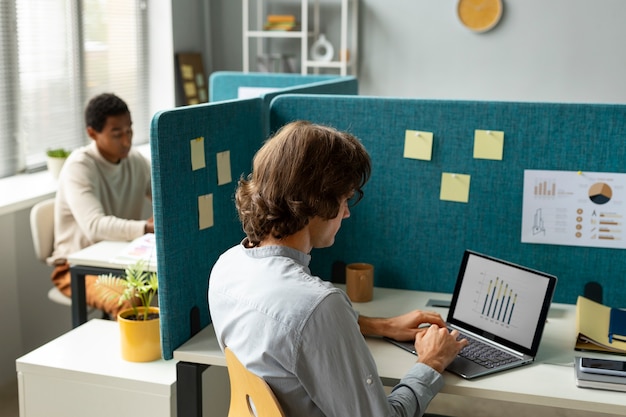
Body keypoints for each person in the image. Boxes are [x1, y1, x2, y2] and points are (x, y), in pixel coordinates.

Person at [208, 120, 468, 417]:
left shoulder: (227, 266)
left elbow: (295, 331)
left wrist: (381, 326)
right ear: (317, 200)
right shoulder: (317, 305)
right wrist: (431, 363)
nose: (346, 212)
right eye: (344, 199)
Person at [49, 93, 153, 317]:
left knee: (173, 283)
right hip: (75, 268)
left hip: (122, 261)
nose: (127, 140)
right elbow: (95, 226)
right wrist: (145, 227)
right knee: (131, 301)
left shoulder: (136, 161)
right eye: (117, 134)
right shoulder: (80, 166)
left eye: (129, 130)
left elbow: (165, 195)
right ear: (92, 133)